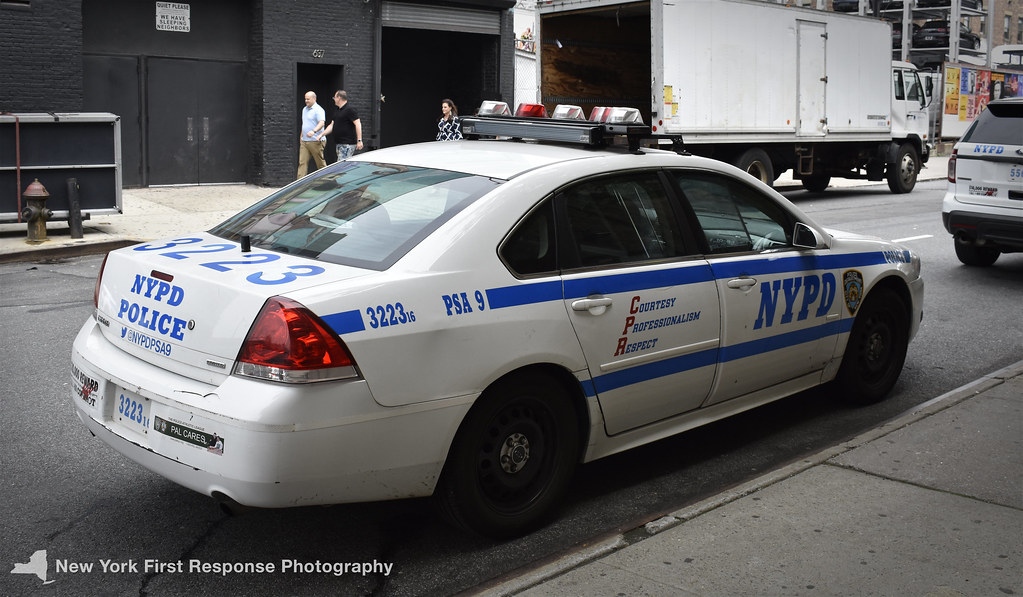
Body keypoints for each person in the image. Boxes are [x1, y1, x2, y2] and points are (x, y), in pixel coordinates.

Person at [317, 90, 363, 161]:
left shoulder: (350, 109)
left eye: (334, 97)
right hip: (339, 144)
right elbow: (332, 125)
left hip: (347, 144)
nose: (334, 99)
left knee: (342, 167)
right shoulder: (337, 110)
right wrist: (321, 135)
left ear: (339, 98)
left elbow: (358, 124)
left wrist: (359, 141)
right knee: (343, 166)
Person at [297, 91, 326, 178]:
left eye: (308, 99)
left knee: (320, 164)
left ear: (314, 99)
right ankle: (299, 184)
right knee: (302, 163)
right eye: (305, 99)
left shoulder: (319, 110)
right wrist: (301, 136)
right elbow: (304, 124)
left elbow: (322, 123)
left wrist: (313, 131)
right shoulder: (304, 109)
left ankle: (328, 182)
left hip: (316, 141)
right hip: (305, 141)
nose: (306, 101)